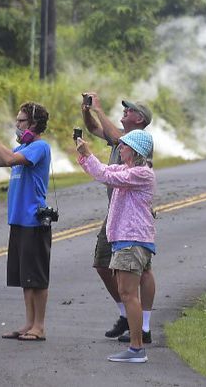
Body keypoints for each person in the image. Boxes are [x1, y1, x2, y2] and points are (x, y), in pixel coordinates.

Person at [81, 93, 156, 344]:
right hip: (119, 216)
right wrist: (87, 110)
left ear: (140, 119)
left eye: (130, 110)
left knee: (137, 277)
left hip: (131, 227)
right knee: (106, 266)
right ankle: (129, 319)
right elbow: (94, 129)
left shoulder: (137, 147)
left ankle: (140, 332)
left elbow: (107, 166)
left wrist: (99, 108)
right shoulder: (124, 148)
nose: (124, 111)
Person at [0, 102, 52, 342]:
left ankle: (39, 326)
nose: (17, 125)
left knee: (37, 277)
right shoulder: (25, 147)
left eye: (21, 121)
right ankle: (28, 323)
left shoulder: (39, 147)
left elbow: (8, 159)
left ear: (33, 124)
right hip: (18, 220)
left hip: (34, 221)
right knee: (25, 277)